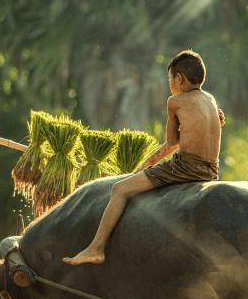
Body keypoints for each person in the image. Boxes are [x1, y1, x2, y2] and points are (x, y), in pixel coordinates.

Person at [63, 50, 225, 265]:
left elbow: (172, 143)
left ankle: (96, 248)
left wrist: (146, 164)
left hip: (187, 168)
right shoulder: (211, 100)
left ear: (179, 79)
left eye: (170, 79)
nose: (169, 84)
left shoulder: (175, 102)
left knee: (119, 189)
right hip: (212, 171)